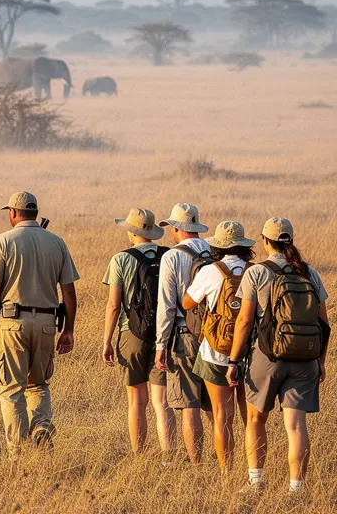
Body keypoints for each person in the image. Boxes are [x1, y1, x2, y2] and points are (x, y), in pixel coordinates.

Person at [227, 218, 330, 495]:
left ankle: (256, 483)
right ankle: (296, 489)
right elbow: (324, 323)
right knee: (296, 425)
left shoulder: (257, 273)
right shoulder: (310, 273)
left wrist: (234, 361)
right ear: (290, 241)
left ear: (264, 240)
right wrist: (320, 361)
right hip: (305, 357)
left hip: (267, 356)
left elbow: (245, 322)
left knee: (255, 420)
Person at [0, 191, 79, 457]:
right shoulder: (57, 243)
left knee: (12, 389)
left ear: (13, 213)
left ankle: (17, 452)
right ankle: (42, 426)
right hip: (48, 323)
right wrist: (68, 330)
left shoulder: (3, 241)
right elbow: (69, 292)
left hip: (12, 323)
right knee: (39, 383)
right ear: (35, 213)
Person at [101, 208, 176, 454]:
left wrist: (107, 342)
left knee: (136, 401)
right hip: (164, 335)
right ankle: (168, 457)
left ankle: (138, 456)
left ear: (132, 232)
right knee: (162, 402)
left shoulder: (121, 259)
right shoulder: (168, 255)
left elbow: (114, 305)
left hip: (131, 334)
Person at [182, 220, 253, 474]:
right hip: (252, 354)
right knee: (251, 418)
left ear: (218, 247)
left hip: (216, 351)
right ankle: (254, 470)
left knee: (222, 415)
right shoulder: (255, 271)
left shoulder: (211, 271)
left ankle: (226, 473)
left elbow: (188, 303)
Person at [154, 203, 213, 464]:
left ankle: (195, 463)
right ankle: (225, 458)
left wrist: (160, 346)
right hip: (215, 335)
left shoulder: (172, 257)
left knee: (189, 404)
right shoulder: (215, 251)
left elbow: (166, 305)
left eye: (172, 228)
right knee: (216, 404)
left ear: (177, 229)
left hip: (184, 334)